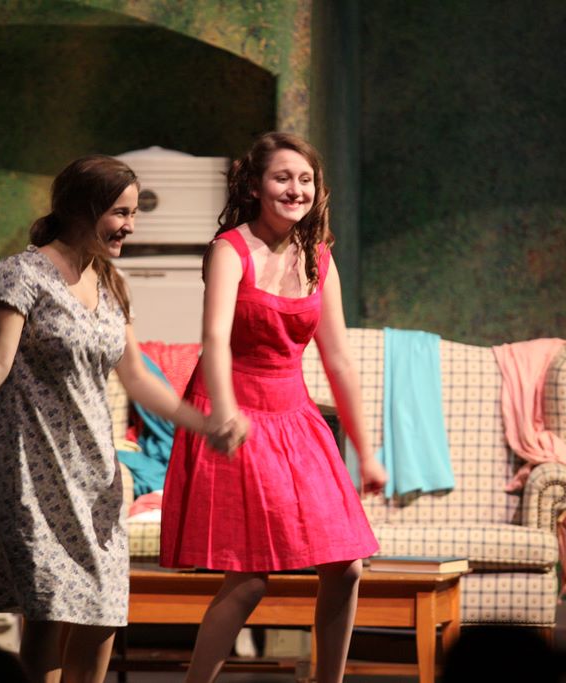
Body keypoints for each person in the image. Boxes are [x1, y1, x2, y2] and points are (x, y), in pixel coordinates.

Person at [0, 155, 241, 683]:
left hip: (93, 465)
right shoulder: (20, 273)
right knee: (47, 609)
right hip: (28, 458)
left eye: (133, 213)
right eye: (120, 213)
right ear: (80, 209)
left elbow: (137, 376)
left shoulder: (111, 282)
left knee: (103, 611)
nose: (130, 226)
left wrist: (204, 424)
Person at [159, 132, 387, 683]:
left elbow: (338, 359)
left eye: (305, 179)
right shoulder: (229, 250)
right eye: (282, 177)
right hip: (234, 409)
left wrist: (366, 451)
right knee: (250, 579)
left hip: (294, 416)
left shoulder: (319, 259)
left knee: (346, 565)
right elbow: (214, 339)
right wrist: (224, 412)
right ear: (256, 186)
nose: (295, 189)